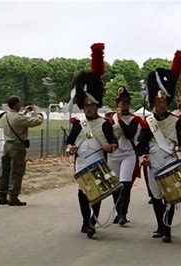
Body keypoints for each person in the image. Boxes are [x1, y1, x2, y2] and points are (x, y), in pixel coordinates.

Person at [65, 43, 118, 239]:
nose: (89, 108)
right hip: (82, 162)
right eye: (86, 105)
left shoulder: (105, 124)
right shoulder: (78, 124)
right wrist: (70, 148)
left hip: (98, 162)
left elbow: (114, 144)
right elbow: (69, 141)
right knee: (82, 192)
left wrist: (110, 146)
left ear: (97, 105)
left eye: (92, 105)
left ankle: (93, 219)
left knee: (96, 193)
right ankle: (86, 221)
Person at [136, 50, 181, 243]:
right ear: (153, 103)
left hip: (170, 160)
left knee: (170, 196)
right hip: (154, 162)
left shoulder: (177, 121)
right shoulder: (147, 122)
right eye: (158, 101)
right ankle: (160, 225)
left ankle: (168, 229)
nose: (161, 104)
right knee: (157, 197)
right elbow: (141, 144)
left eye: (164, 101)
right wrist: (142, 157)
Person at [0, 95, 43, 206]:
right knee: (16, 172)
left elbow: (16, 119)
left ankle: (2, 195)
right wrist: (38, 113)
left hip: (7, 145)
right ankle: (13, 196)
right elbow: (36, 122)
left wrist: (24, 112)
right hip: (17, 147)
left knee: (5, 172)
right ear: (16, 104)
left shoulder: (5, 115)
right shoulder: (19, 117)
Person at [108, 86, 142, 226]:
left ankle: (123, 213)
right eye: (122, 102)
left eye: (126, 102)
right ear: (118, 104)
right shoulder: (110, 118)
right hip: (114, 155)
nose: (124, 104)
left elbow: (129, 134)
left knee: (125, 183)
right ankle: (118, 211)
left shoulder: (134, 119)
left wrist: (120, 119)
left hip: (128, 153)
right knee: (115, 185)